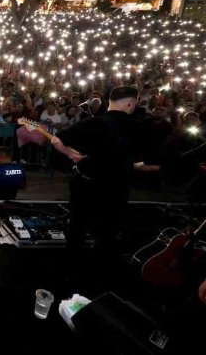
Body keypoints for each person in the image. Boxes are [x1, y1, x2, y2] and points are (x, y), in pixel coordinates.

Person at [50, 86, 153, 273]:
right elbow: (144, 161)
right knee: (108, 231)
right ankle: (101, 273)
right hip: (117, 187)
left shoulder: (93, 123)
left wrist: (71, 154)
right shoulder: (139, 127)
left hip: (86, 185)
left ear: (109, 102)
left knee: (77, 229)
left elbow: (57, 140)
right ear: (130, 103)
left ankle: (71, 271)